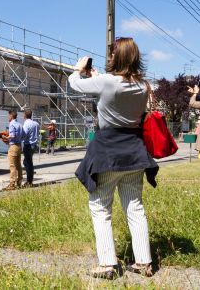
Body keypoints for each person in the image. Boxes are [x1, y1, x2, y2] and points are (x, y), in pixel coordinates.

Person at [71, 38, 157, 279]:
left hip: (107, 150)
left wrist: (79, 69)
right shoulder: (143, 85)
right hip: (134, 150)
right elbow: (114, 88)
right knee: (135, 207)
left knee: (100, 207)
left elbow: (75, 85)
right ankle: (144, 262)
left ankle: (108, 264)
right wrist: (97, 77)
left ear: (115, 56)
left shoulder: (106, 82)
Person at [1, 109, 24, 191]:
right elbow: (22, 136)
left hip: (13, 146)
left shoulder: (11, 124)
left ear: (11, 115)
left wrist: (5, 137)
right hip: (19, 146)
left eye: (8, 115)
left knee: (12, 166)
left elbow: (12, 135)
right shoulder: (20, 124)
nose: (8, 117)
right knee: (18, 165)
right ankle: (19, 182)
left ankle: (12, 184)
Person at [21, 109, 40, 187]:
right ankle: (30, 174)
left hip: (28, 144)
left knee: (28, 163)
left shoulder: (26, 124)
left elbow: (24, 134)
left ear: (25, 115)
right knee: (27, 162)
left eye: (23, 114)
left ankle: (29, 181)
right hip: (34, 144)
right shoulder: (36, 124)